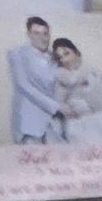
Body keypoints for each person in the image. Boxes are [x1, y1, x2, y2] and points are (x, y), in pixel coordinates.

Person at [6, 13, 62, 142]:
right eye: (37, 33)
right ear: (29, 35)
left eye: (45, 34)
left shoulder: (54, 57)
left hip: (53, 125)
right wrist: (55, 106)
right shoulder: (17, 54)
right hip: (29, 124)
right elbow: (24, 86)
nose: (42, 38)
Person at [48, 33, 102, 137]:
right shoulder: (60, 79)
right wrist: (69, 110)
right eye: (60, 57)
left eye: (67, 53)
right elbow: (58, 103)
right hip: (75, 127)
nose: (65, 60)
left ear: (76, 52)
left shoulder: (92, 73)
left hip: (99, 122)